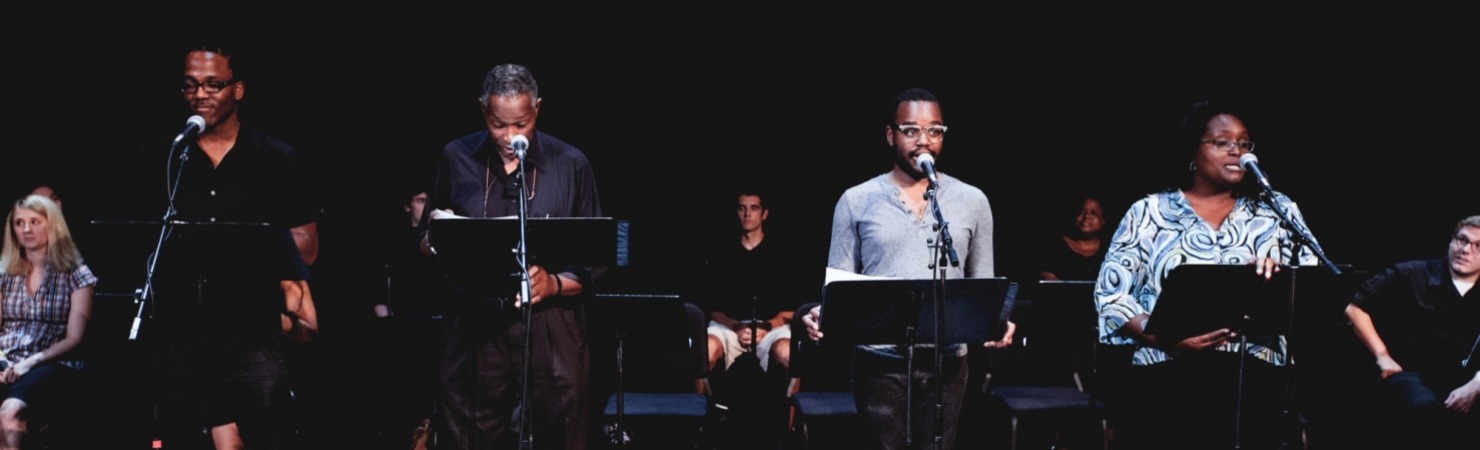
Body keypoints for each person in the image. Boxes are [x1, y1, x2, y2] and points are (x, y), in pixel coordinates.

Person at [1093, 99, 1318, 450]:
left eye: (1244, 143)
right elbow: (1111, 295)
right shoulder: (1149, 212)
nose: (1237, 151)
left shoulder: (1277, 210)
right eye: (1222, 142)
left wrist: (1280, 276)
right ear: (1191, 151)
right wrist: (1163, 338)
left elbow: (1316, 284)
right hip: (1166, 373)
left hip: (1255, 375)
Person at [802, 88, 1014, 450]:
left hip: (948, 363)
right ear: (891, 136)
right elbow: (838, 286)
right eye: (911, 130)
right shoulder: (856, 200)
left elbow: (982, 284)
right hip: (879, 363)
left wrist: (998, 318)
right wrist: (822, 313)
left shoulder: (972, 200)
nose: (924, 141)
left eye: (934, 130)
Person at [148, 45, 321, 450]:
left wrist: (237, 251)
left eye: (213, 84)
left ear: (238, 90)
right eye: (190, 85)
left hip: (252, 334)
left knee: (262, 435)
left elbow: (307, 247)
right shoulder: (166, 156)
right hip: (181, 335)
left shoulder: (275, 159)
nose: (200, 94)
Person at [421, 63, 601, 450]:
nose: (509, 136)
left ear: (536, 108)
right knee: (469, 432)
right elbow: (427, 237)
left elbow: (595, 261)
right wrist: (439, 243)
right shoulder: (456, 157)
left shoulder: (570, 163)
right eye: (498, 124)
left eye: (520, 124)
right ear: (484, 109)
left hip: (551, 326)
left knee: (563, 430)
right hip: (477, 322)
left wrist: (552, 283)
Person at [1343, 215, 1480, 448]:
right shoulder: (1413, 273)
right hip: (1412, 375)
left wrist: (1476, 384)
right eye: (1461, 240)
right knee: (1425, 413)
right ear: (1451, 241)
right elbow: (1354, 308)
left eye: (1478, 246)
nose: (1466, 250)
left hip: (1466, 381)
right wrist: (1382, 355)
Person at [0, 195, 95, 449]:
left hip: (52, 362)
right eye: (19, 223)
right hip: (7, 358)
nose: (26, 229)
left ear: (51, 224)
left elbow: (74, 338)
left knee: (10, 412)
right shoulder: (5, 273)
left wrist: (29, 362)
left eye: (34, 221)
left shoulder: (76, 274)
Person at [701, 191, 796, 375]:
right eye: (742, 208)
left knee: (788, 353)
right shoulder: (722, 254)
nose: (747, 214)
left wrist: (765, 328)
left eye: (754, 208)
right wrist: (736, 326)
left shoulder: (780, 255)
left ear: (764, 214)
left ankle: (791, 405)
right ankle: (697, 403)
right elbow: (713, 309)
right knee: (705, 351)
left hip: (770, 328)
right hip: (730, 327)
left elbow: (791, 310)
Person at [1035, 195, 1108, 281]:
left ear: (1103, 221)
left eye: (1093, 213)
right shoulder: (1053, 245)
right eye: (1082, 212)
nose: (1087, 216)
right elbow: (1047, 278)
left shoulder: (1113, 249)